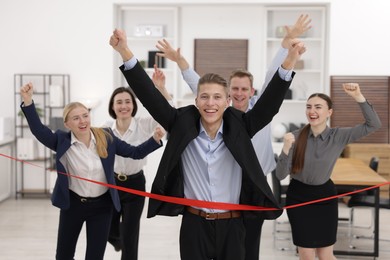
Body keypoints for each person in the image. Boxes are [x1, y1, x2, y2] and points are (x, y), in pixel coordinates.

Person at [110, 28, 304, 260]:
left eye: (217, 97)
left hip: (233, 225)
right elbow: (149, 96)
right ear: (196, 100)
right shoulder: (181, 123)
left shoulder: (242, 125)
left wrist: (289, 61)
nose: (210, 103)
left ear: (227, 101)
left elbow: (269, 104)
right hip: (194, 225)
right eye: (204, 97)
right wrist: (124, 52)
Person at [19, 82, 164, 260]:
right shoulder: (61, 141)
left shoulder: (106, 137)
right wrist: (28, 101)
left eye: (85, 116)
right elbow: (38, 130)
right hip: (73, 205)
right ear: (67, 123)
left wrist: (155, 139)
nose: (82, 121)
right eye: (76, 118)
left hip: (101, 207)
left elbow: (135, 153)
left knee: (95, 256)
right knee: (63, 255)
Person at [275, 83, 381, 260]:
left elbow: (373, 124)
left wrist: (358, 97)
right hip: (299, 198)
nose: (312, 111)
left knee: (326, 255)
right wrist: (285, 149)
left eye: (318, 107)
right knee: (306, 255)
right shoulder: (295, 136)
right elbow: (280, 175)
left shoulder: (338, 136)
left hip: (325, 197)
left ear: (329, 112)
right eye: (308, 107)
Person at [105, 66, 172, 260]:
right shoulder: (105, 129)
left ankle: (126, 248)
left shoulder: (144, 124)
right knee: (109, 228)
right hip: (112, 184)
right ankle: (117, 242)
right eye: (119, 102)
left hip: (135, 184)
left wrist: (161, 88)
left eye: (127, 101)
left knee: (130, 234)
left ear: (133, 105)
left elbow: (169, 114)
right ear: (113, 106)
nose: (124, 106)